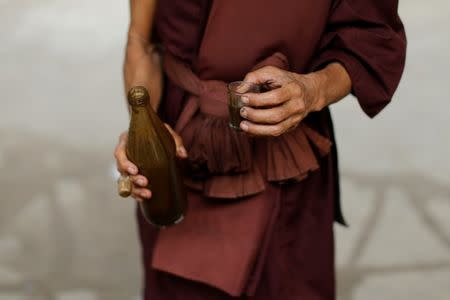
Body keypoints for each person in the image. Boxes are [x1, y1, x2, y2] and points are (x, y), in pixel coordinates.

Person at [114, 0, 406, 299]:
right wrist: (145, 125)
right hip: (181, 146)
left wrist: (313, 89)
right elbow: (141, 42)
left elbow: (370, 38)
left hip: (285, 154)